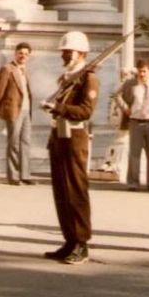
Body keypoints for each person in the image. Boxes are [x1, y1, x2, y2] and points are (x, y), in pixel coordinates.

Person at [42, 31, 98, 265]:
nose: (64, 55)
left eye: (69, 51)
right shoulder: (67, 77)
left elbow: (86, 111)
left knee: (75, 191)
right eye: (64, 51)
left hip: (75, 136)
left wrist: (59, 108)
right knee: (61, 191)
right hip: (60, 135)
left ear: (82, 53)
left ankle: (81, 242)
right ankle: (69, 239)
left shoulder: (88, 79)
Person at [115, 59, 149, 191]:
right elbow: (117, 95)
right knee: (134, 154)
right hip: (136, 122)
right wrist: (125, 108)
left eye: (144, 71)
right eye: (139, 71)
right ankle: (133, 183)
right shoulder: (130, 84)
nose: (142, 74)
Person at [0, 42, 34, 185]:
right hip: (14, 111)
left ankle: (25, 175)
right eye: (20, 53)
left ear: (29, 56)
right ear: (15, 54)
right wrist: (6, 107)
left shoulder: (25, 70)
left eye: (26, 54)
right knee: (13, 143)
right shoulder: (7, 69)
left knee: (26, 142)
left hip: (26, 111)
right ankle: (13, 176)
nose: (23, 56)